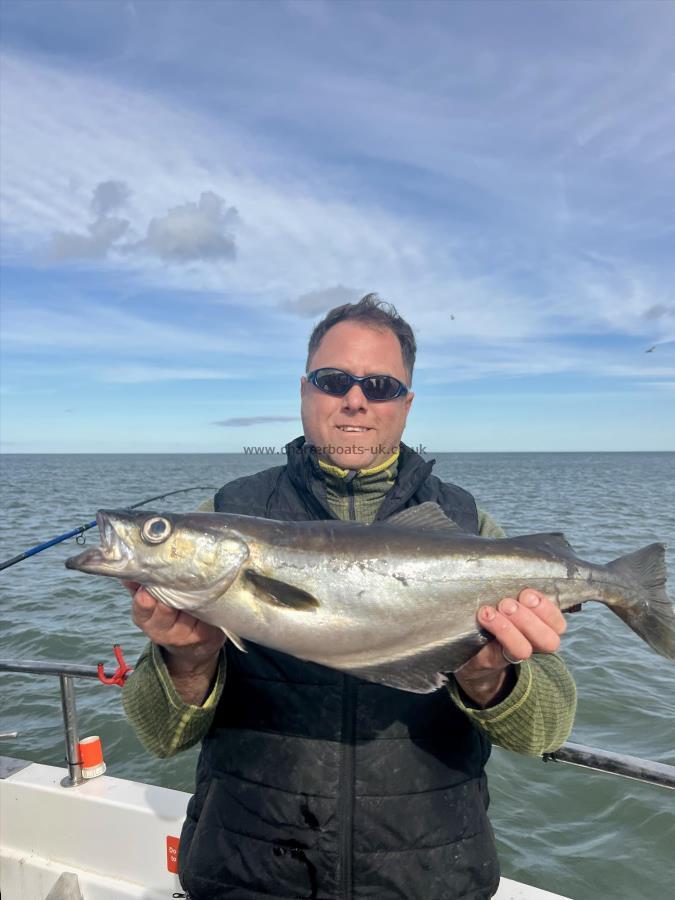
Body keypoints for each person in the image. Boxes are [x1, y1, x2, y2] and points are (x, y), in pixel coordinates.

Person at [123, 295, 576, 900]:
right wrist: (187, 662)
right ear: (304, 391)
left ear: (407, 404)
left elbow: (545, 732)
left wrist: (492, 680)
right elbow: (160, 737)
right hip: (247, 873)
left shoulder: (469, 527)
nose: (356, 399)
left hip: (429, 880)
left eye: (381, 385)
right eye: (333, 380)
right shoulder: (225, 516)